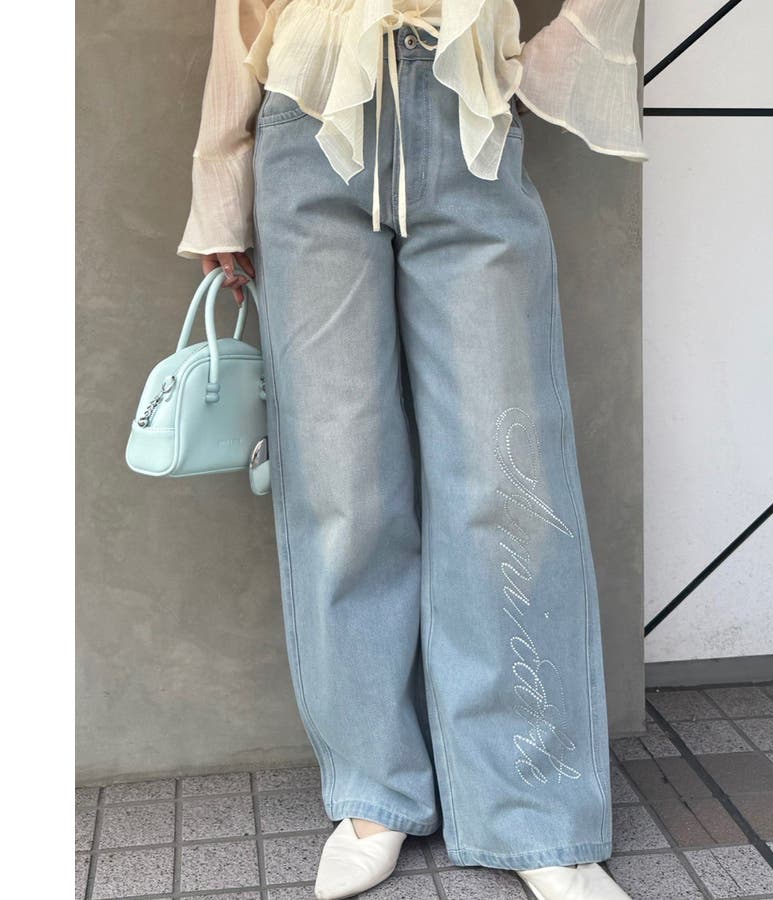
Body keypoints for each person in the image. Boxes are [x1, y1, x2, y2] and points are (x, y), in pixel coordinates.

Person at [177, 2, 648, 898]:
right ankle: (373, 790)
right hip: (308, 117)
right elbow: (241, 15)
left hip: (464, 107)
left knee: (508, 476)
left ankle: (534, 807)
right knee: (341, 482)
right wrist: (221, 194)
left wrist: (539, 62)